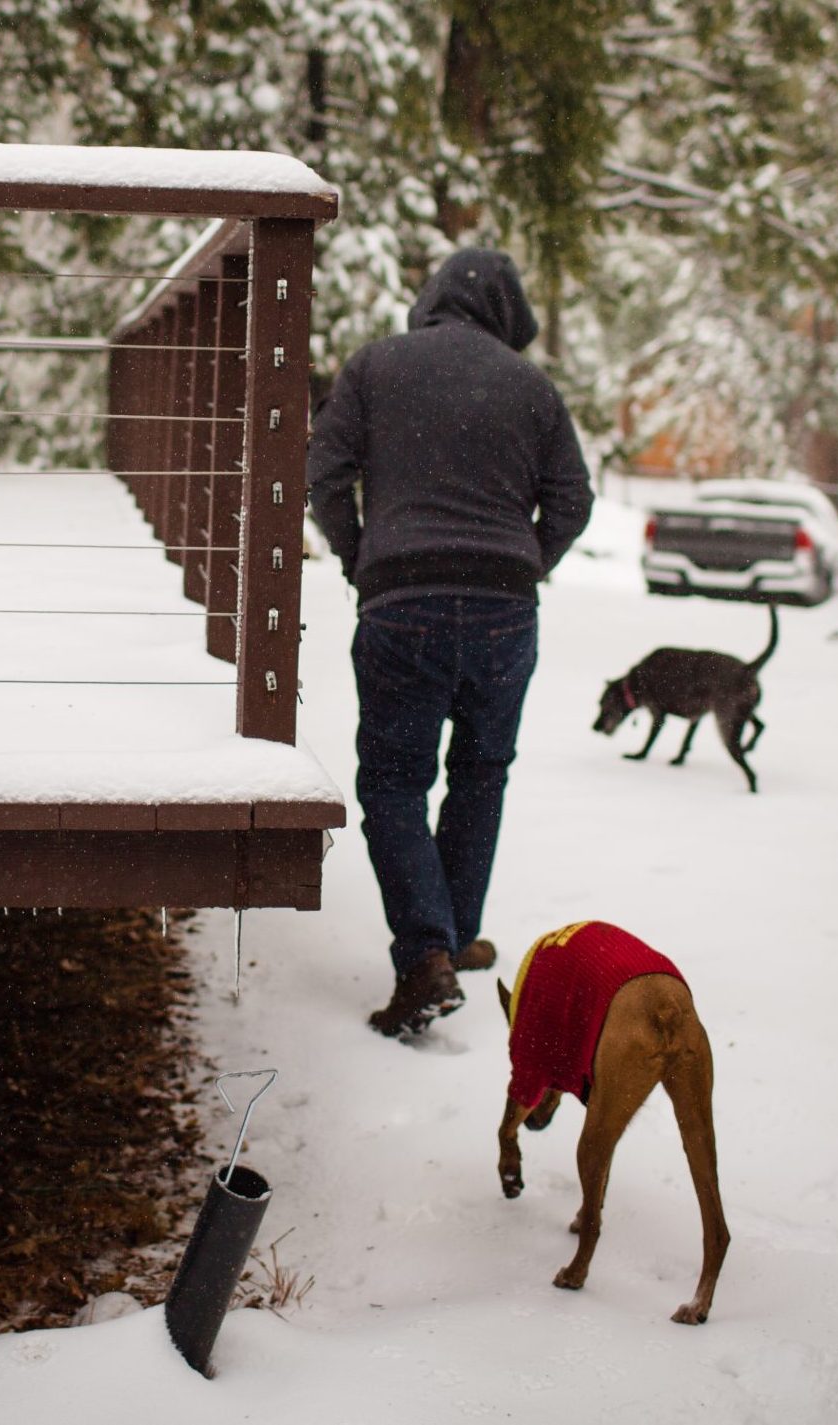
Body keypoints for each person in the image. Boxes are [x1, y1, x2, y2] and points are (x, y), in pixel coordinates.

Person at [306, 249, 593, 1039]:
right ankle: (450, 934)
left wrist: (360, 553)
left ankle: (429, 950)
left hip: (404, 607)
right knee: (481, 772)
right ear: (508, 315)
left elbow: (323, 472)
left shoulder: (374, 367)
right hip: (505, 615)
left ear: (430, 299)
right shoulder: (531, 388)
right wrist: (527, 560)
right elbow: (573, 498)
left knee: (395, 781)